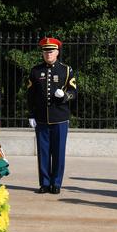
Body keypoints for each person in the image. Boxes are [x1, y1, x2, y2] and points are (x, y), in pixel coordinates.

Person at [27, 37, 76, 194]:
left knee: (58, 152)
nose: (48, 53)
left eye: (51, 51)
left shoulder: (66, 70)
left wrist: (65, 96)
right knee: (43, 152)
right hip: (41, 118)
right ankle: (45, 183)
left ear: (57, 52)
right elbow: (30, 95)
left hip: (60, 118)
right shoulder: (35, 71)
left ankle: (56, 183)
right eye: (45, 51)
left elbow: (74, 92)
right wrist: (31, 114)